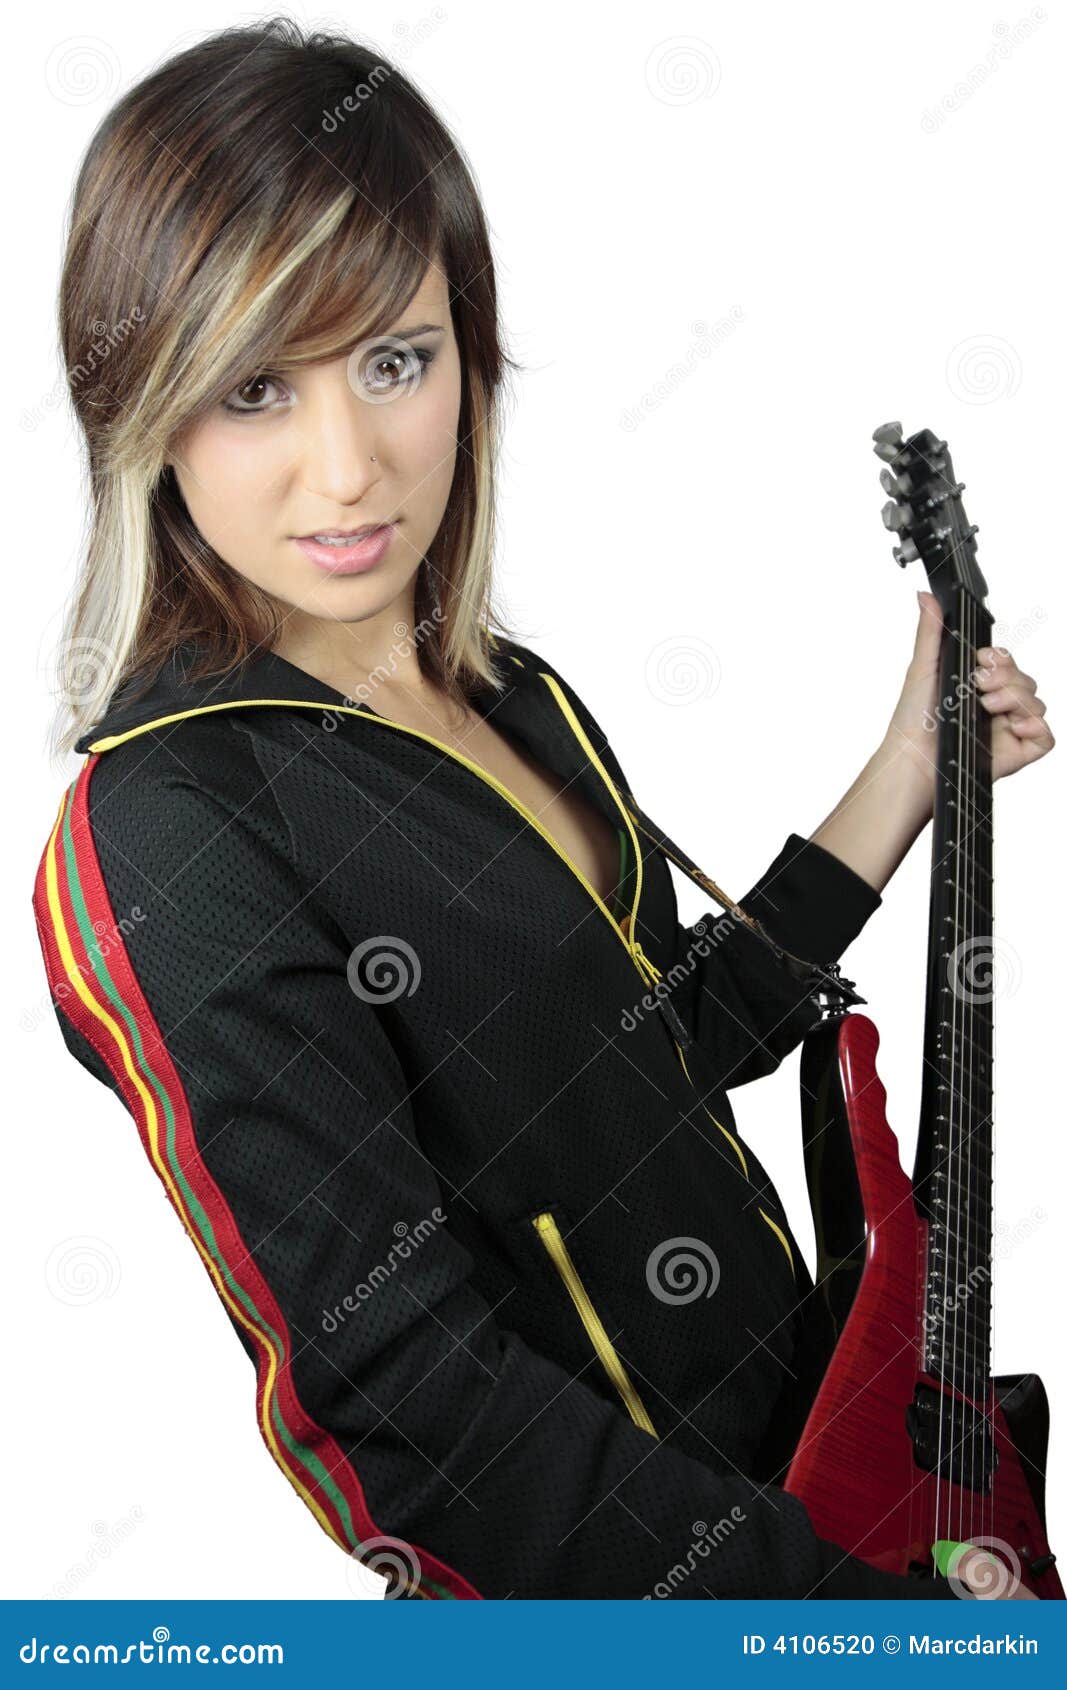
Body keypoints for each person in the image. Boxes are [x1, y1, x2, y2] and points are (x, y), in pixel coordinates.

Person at [32, 20, 1054, 1601]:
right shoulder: (168, 833)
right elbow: (412, 1418)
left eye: (396, 359)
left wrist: (905, 775)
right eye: (254, 389)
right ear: (141, 410)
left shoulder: (511, 691)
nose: (349, 467)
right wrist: (866, 1624)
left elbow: (638, 1065)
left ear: (469, 352)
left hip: (826, 1469)